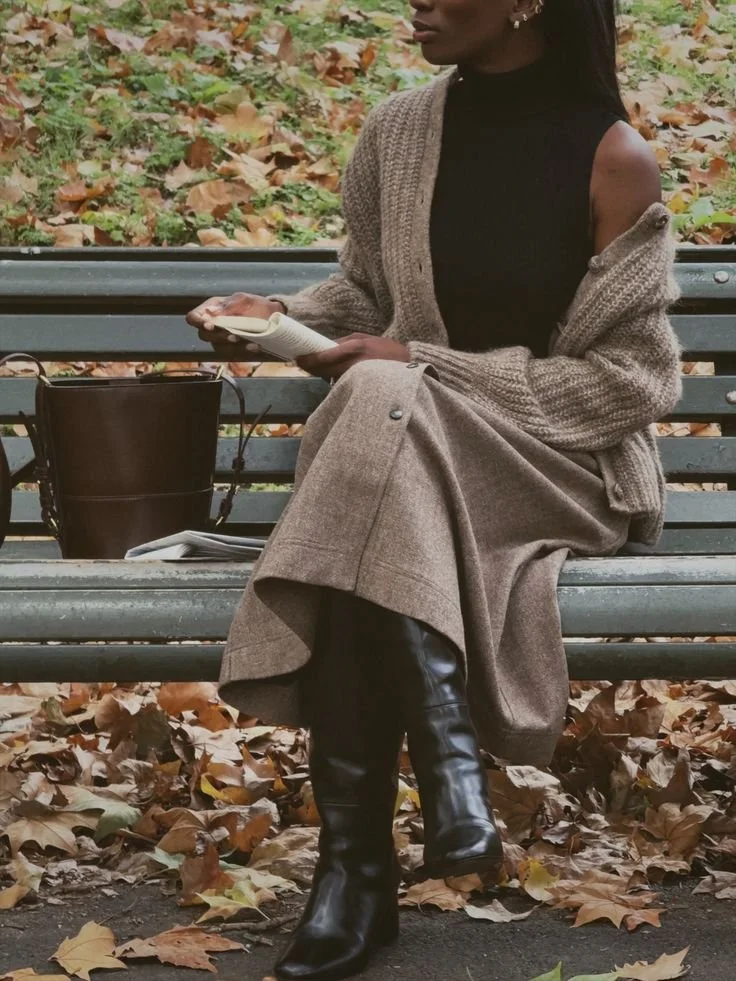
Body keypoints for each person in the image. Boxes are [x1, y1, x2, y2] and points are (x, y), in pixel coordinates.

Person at [187, 0, 682, 977]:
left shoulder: (612, 159)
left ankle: (358, 874)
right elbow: (366, 297)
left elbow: (627, 385)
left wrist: (420, 363)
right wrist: (276, 318)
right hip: (403, 461)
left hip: (550, 466)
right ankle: (443, 789)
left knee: (381, 399)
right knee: (380, 436)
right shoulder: (400, 130)